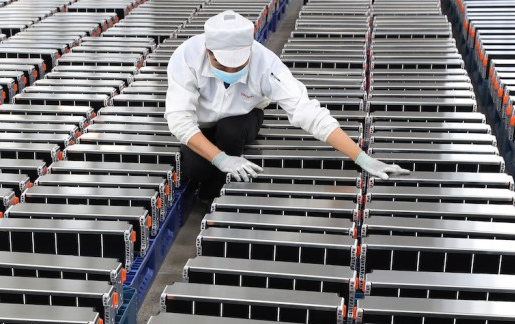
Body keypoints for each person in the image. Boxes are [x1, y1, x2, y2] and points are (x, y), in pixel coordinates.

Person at [165, 10, 409, 199]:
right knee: (195, 169)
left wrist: (362, 158)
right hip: (201, 122)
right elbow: (179, 120)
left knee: (231, 132)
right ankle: (211, 178)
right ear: (209, 52)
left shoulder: (267, 65)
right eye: (222, 66)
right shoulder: (186, 57)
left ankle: (216, 197)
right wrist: (220, 159)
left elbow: (308, 112)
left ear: (249, 51)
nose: (231, 72)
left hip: (244, 117)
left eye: (238, 66)